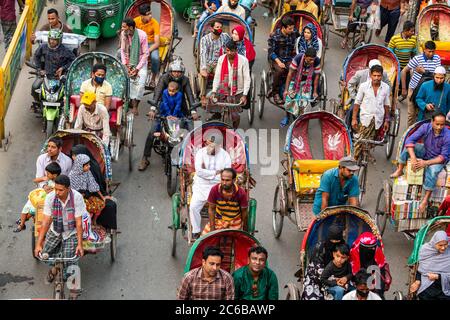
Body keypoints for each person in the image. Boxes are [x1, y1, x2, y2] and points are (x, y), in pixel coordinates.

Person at [391, 112, 450, 214]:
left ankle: (425, 200)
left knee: (433, 171)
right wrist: (413, 157)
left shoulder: (447, 135)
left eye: (442, 124)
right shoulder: (425, 127)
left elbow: (442, 157)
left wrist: (425, 163)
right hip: (426, 150)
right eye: (437, 124)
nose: (439, 127)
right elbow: (410, 140)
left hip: (437, 159)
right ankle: (400, 170)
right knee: (408, 149)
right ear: (432, 122)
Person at [33, 175, 85, 283]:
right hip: (55, 230)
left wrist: (80, 244)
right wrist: (38, 244)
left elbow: (79, 223)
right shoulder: (50, 197)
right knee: (44, 255)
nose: (57, 192)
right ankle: (55, 267)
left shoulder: (77, 197)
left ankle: (72, 285)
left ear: (68, 188)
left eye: (60, 190)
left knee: (70, 261)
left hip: (71, 232)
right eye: (56, 189)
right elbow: (46, 221)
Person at [189, 132, 231, 239]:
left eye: (214, 145)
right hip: (200, 186)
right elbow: (199, 172)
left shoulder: (225, 155)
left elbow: (226, 174)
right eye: (209, 143)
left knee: (223, 209)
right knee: (193, 207)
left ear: (219, 145)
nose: (210, 147)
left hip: (218, 186)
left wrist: (208, 174)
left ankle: (220, 230)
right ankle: (196, 230)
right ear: (206, 142)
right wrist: (215, 173)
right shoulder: (200, 153)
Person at [139, 81, 189, 170]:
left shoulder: (180, 95)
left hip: (176, 115)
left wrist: (174, 115)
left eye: (173, 91)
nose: (171, 92)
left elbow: (178, 105)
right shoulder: (165, 92)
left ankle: (187, 159)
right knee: (153, 132)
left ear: (177, 90)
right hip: (164, 113)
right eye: (170, 90)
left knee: (186, 132)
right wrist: (169, 115)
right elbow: (165, 104)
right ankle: (145, 158)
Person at [70, 145, 117, 230]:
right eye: (72, 155)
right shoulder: (73, 172)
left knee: (106, 205)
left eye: (75, 155)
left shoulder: (90, 168)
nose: (73, 157)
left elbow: (94, 185)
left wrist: (103, 197)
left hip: (91, 194)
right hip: (77, 197)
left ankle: (96, 223)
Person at [352, 64, 391, 160]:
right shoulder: (363, 86)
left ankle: (366, 152)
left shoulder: (386, 87)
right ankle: (354, 160)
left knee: (373, 140)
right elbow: (357, 103)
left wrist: (387, 120)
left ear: (382, 76)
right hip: (365, 117)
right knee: (361, 140)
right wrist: (354, 119)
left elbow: (386, 105)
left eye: (379, 76)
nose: (377, 78)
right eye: (374, 75)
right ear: (370, 75)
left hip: (378, 119)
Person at [210, 40, 250, 128]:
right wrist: (213, 91)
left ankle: (235, 131)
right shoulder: (221, 59)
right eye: (227, 50)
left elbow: (247, 79)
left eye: (232, 51)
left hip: (237, 92)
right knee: (214, 105)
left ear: (236, 50)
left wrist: (244, 95)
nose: (229, 53)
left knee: (235, 116)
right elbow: (217, 76)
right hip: (223, 90)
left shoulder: (243, 61)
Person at [300, 223, 346, 300]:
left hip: (338, 277)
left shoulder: (343, 248)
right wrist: (334, 281)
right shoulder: (320, 248)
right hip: (317, 278)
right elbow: (318, 270)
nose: (334, 243)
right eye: (332, 240)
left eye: (337, 241)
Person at [401, 40, 441, 126]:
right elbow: (404, 71)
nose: (431, 54)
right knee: (411, 115)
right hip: (414, 90)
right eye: (429, 51)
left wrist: (424, 72)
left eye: (433, 51)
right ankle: (409, 134)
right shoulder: (417, 59)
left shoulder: (437, 58)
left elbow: (437, 76)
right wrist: (404, 89)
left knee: (422, 115)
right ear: (424, 50)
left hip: (428, 92)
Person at [31, 29, 76, 104]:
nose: (52, 41)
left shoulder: (65, 50)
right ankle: (39, 103)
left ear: (59, 40)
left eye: (54, 40)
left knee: (70, 92)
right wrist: (39, 69)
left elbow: (73, 60)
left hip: (61, 77)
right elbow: (36, 56)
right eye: (50, 39)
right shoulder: (43, 47)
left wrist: (63, 68)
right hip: (46, 76)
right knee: (35, 87)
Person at [14, 162, 62, 233]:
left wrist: (52, 190)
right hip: (40, 197)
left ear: (54, 175)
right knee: (26, 207)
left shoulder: (59, 183)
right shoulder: (48, 179)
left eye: (48, 173)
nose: (47, 174)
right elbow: (35, 180)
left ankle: (22, 222)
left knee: (32, 211)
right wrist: (44, 178)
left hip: (47, 203)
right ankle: (22, 224)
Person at [202, 168, 249, 235]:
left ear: (234, 180)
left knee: (235, 241)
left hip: (234, 222)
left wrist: (245, 231)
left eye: (227, 180)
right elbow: (211, 209)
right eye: (222, 180)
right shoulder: (214, 190)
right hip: (219, 220)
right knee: (204, 238)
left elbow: (244, 212)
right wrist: (212, 230)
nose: (224, 183)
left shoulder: (241, 193)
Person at [282, 47, 321, 126]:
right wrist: (286, 90)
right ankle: (287, 116)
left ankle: (300, 119)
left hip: (307, 81)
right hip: (295, 79)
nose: (312, 61)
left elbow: (317, 76)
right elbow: (290, 74)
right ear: (305, 56)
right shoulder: (298, 58)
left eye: (313, 59)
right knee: (289, 99)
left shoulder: (316, 60)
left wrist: (315, 92)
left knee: (305, 102)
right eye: (310, 59)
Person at [120, 18, 149, 116]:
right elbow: (122, 50)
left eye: (124, 26)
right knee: (128, 82)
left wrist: (137, 69)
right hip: (128, 61)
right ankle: (130, 102)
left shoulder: (142, 35)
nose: (122, 28)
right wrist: (125, 65)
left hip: (140, 62)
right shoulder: (123, 34)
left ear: (131, 27)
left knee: (140, 84)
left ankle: (136, 105)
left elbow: (146, 54)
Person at [349, 232, 391, 298]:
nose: (373, 249)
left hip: (374, 272)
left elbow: (380, 269)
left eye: (373, 248)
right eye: (370, 249)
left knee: (378, 290)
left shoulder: (377, 250)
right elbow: (355, 272)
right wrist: (366, 284)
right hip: (359, 275)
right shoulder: (354, 251)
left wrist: (374, 283)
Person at [409, 230, 450, 300]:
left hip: (444, 288)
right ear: (434, 243)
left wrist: (438, 276)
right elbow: (420, 269)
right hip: (427, 287)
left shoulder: (448, 252)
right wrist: (417, 281)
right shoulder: (425, 250)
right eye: (440, 245)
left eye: (445, 244)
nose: (443, 248)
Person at [199, 20, 231, 107]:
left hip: (219, 63)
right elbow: (203, 53)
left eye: (221, 28)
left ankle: (218, 94)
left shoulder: (225, 37)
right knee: (202, 75)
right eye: (217, 27)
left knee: (223, 75)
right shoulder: (205, 39)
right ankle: (202, 96)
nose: (219, 29)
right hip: (208, 62)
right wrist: (204, 68)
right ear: (212, 28)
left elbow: (232, 45)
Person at [69, 154, 107, 226]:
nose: (89, 166)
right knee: (88, 210)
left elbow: (93, 185)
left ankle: (94, 221)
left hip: (86, 196)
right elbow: (72, 191)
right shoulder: (72, 176)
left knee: (100, 204)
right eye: (86, 165)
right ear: (80, 166)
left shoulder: (87, 172)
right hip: (77, 199)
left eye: (89, 164)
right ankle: (87, 224)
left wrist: (103, 197)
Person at [268, 16, 297, 105]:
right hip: (276, 58)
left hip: (288, 58)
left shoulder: (293, 34)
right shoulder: (274, 36)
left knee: (294, 69)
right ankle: (275, 92)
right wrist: (279, 62)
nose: (292, 30)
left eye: (293, 28)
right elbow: (271, 52)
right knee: (280, 71)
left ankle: (290, 90)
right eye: (290, 28)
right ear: (283, 28)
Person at [134, 4, 160, 88]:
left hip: (150, 44)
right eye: (148, 14)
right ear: (142, 16)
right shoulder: (135, 22)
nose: (150, 16)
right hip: (139, 43)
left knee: (155, 58)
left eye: (150, 13)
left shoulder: (155, 23)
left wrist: (147, 52)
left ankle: (153, 78)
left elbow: (157, 43)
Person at [388, 20, 417, 91]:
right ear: (405, 31)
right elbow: (389, 53)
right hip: (395, 67)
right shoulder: (394, 39)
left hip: (406, 67)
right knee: (393, 86)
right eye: (411, 31)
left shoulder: (414, 39)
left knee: (406, 86)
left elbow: (413, 53)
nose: (413, 33)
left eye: (413, 31)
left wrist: (413, 65)